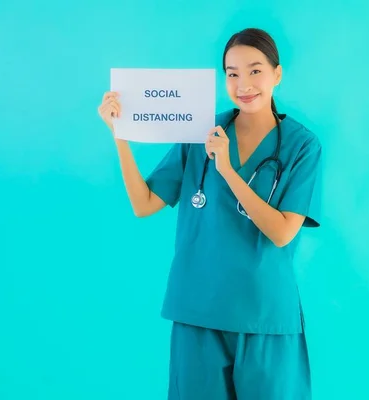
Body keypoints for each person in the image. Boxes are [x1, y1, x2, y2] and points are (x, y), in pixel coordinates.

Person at [98, 27, 322, 400]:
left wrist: (228, 170)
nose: (243, 84)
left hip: (263, 314)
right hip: (198, 311)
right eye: (232, 73)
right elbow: (144, 204)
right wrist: (119, 135)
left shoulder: (302, 146)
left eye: (255, 71)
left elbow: (282, 232)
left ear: (277, 74)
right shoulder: (201, 128)